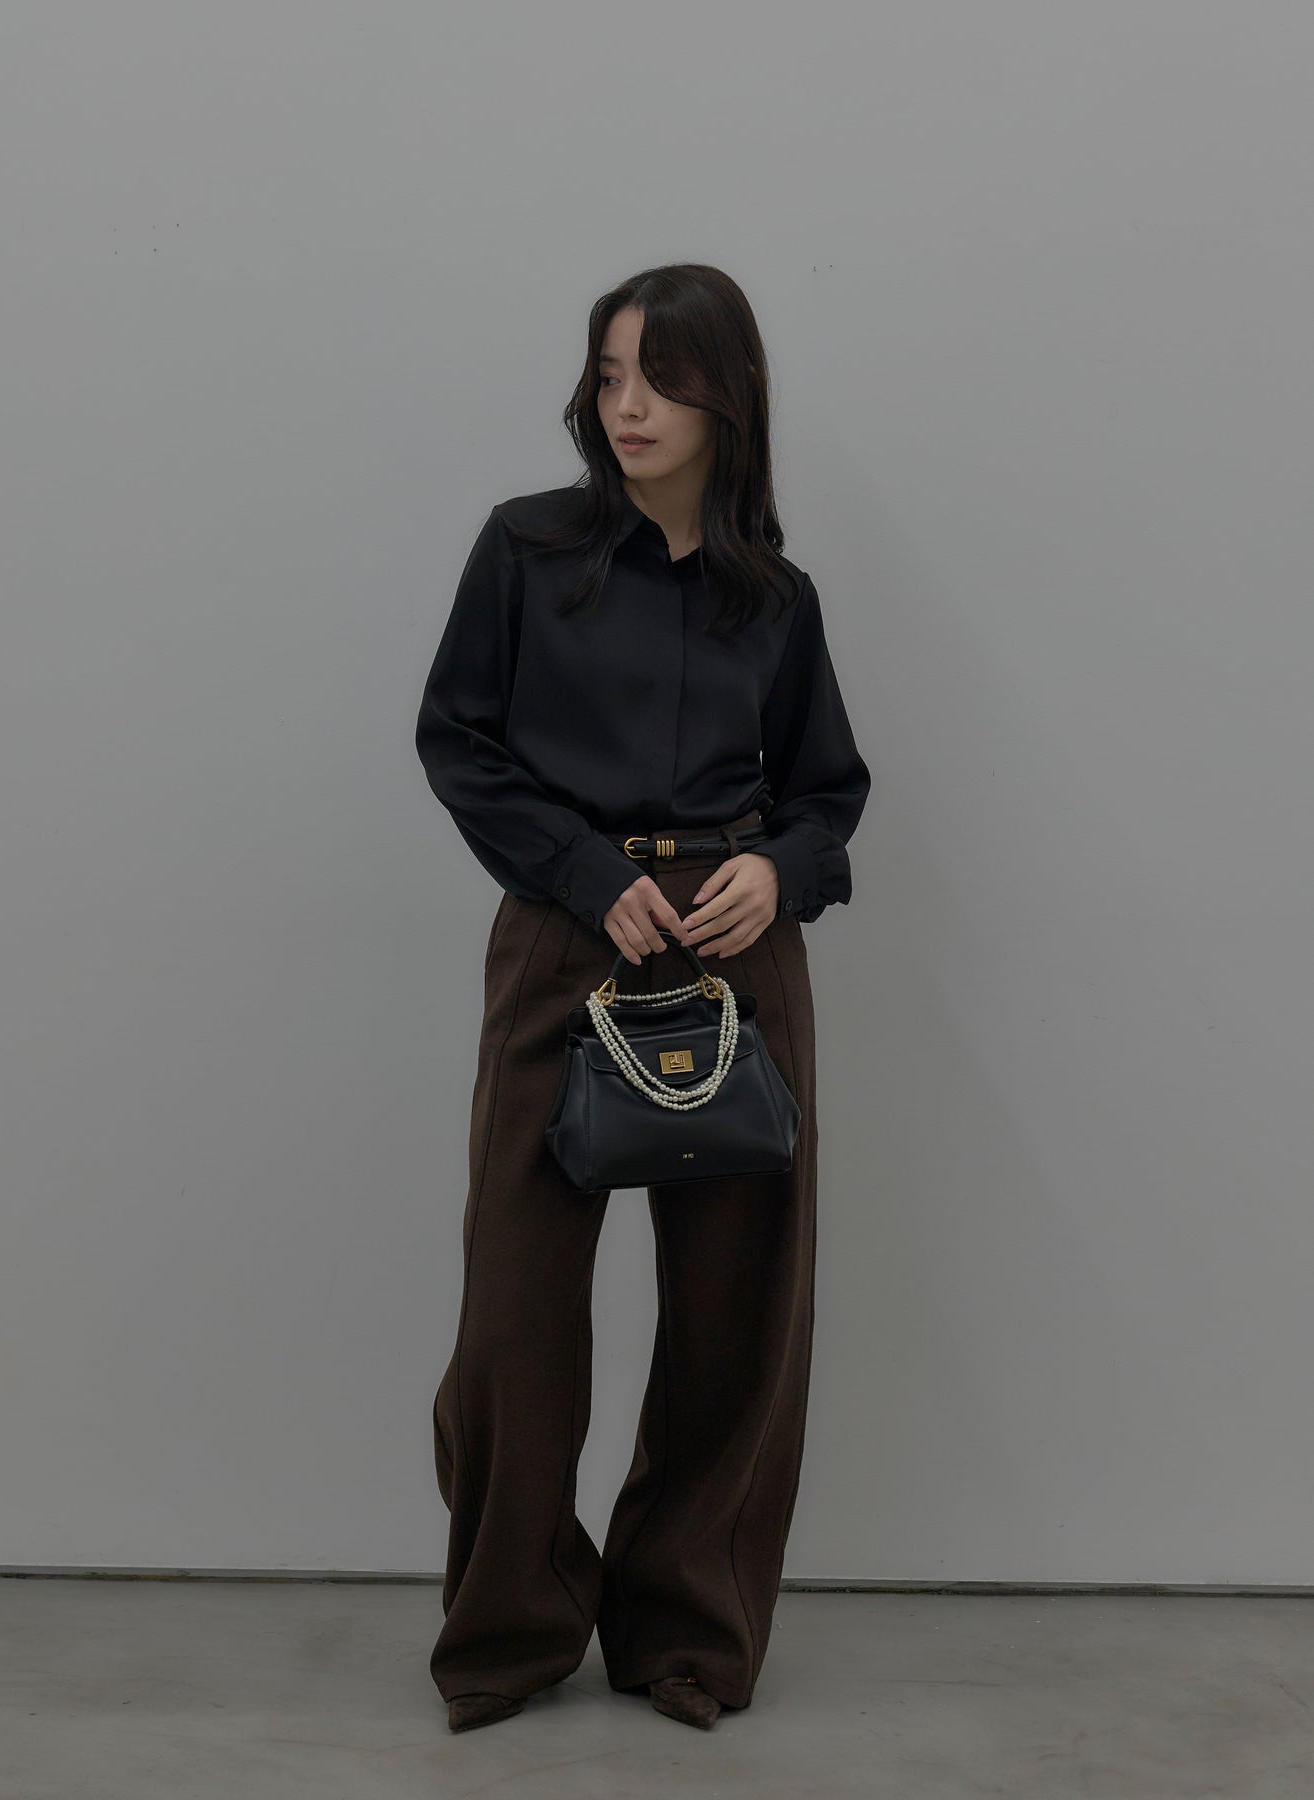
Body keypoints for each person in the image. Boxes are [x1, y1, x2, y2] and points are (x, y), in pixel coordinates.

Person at [414, 262, 871, 1734]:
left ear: (727, 397)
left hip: (736, 962)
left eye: (660, 379)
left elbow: (827, 793)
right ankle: (510, 1626)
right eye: (609, 375)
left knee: (737, 1318)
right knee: (515, 1314)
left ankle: (685, 1632)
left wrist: (780, 872)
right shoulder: (525, 549)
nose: (628, 407)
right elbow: (458, 739)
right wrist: (580, 867)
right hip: (567, 945)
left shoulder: (775, 598)